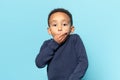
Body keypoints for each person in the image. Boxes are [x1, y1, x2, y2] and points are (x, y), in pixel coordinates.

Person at [35, 8, 88, 80]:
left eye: (64, 24)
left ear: (71, 29)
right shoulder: (47, 44)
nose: (59, 28)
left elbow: (83, 62)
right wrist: (54, 43)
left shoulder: (75, 39)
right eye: (55, 25)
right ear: (49, 31)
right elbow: (39, 63)